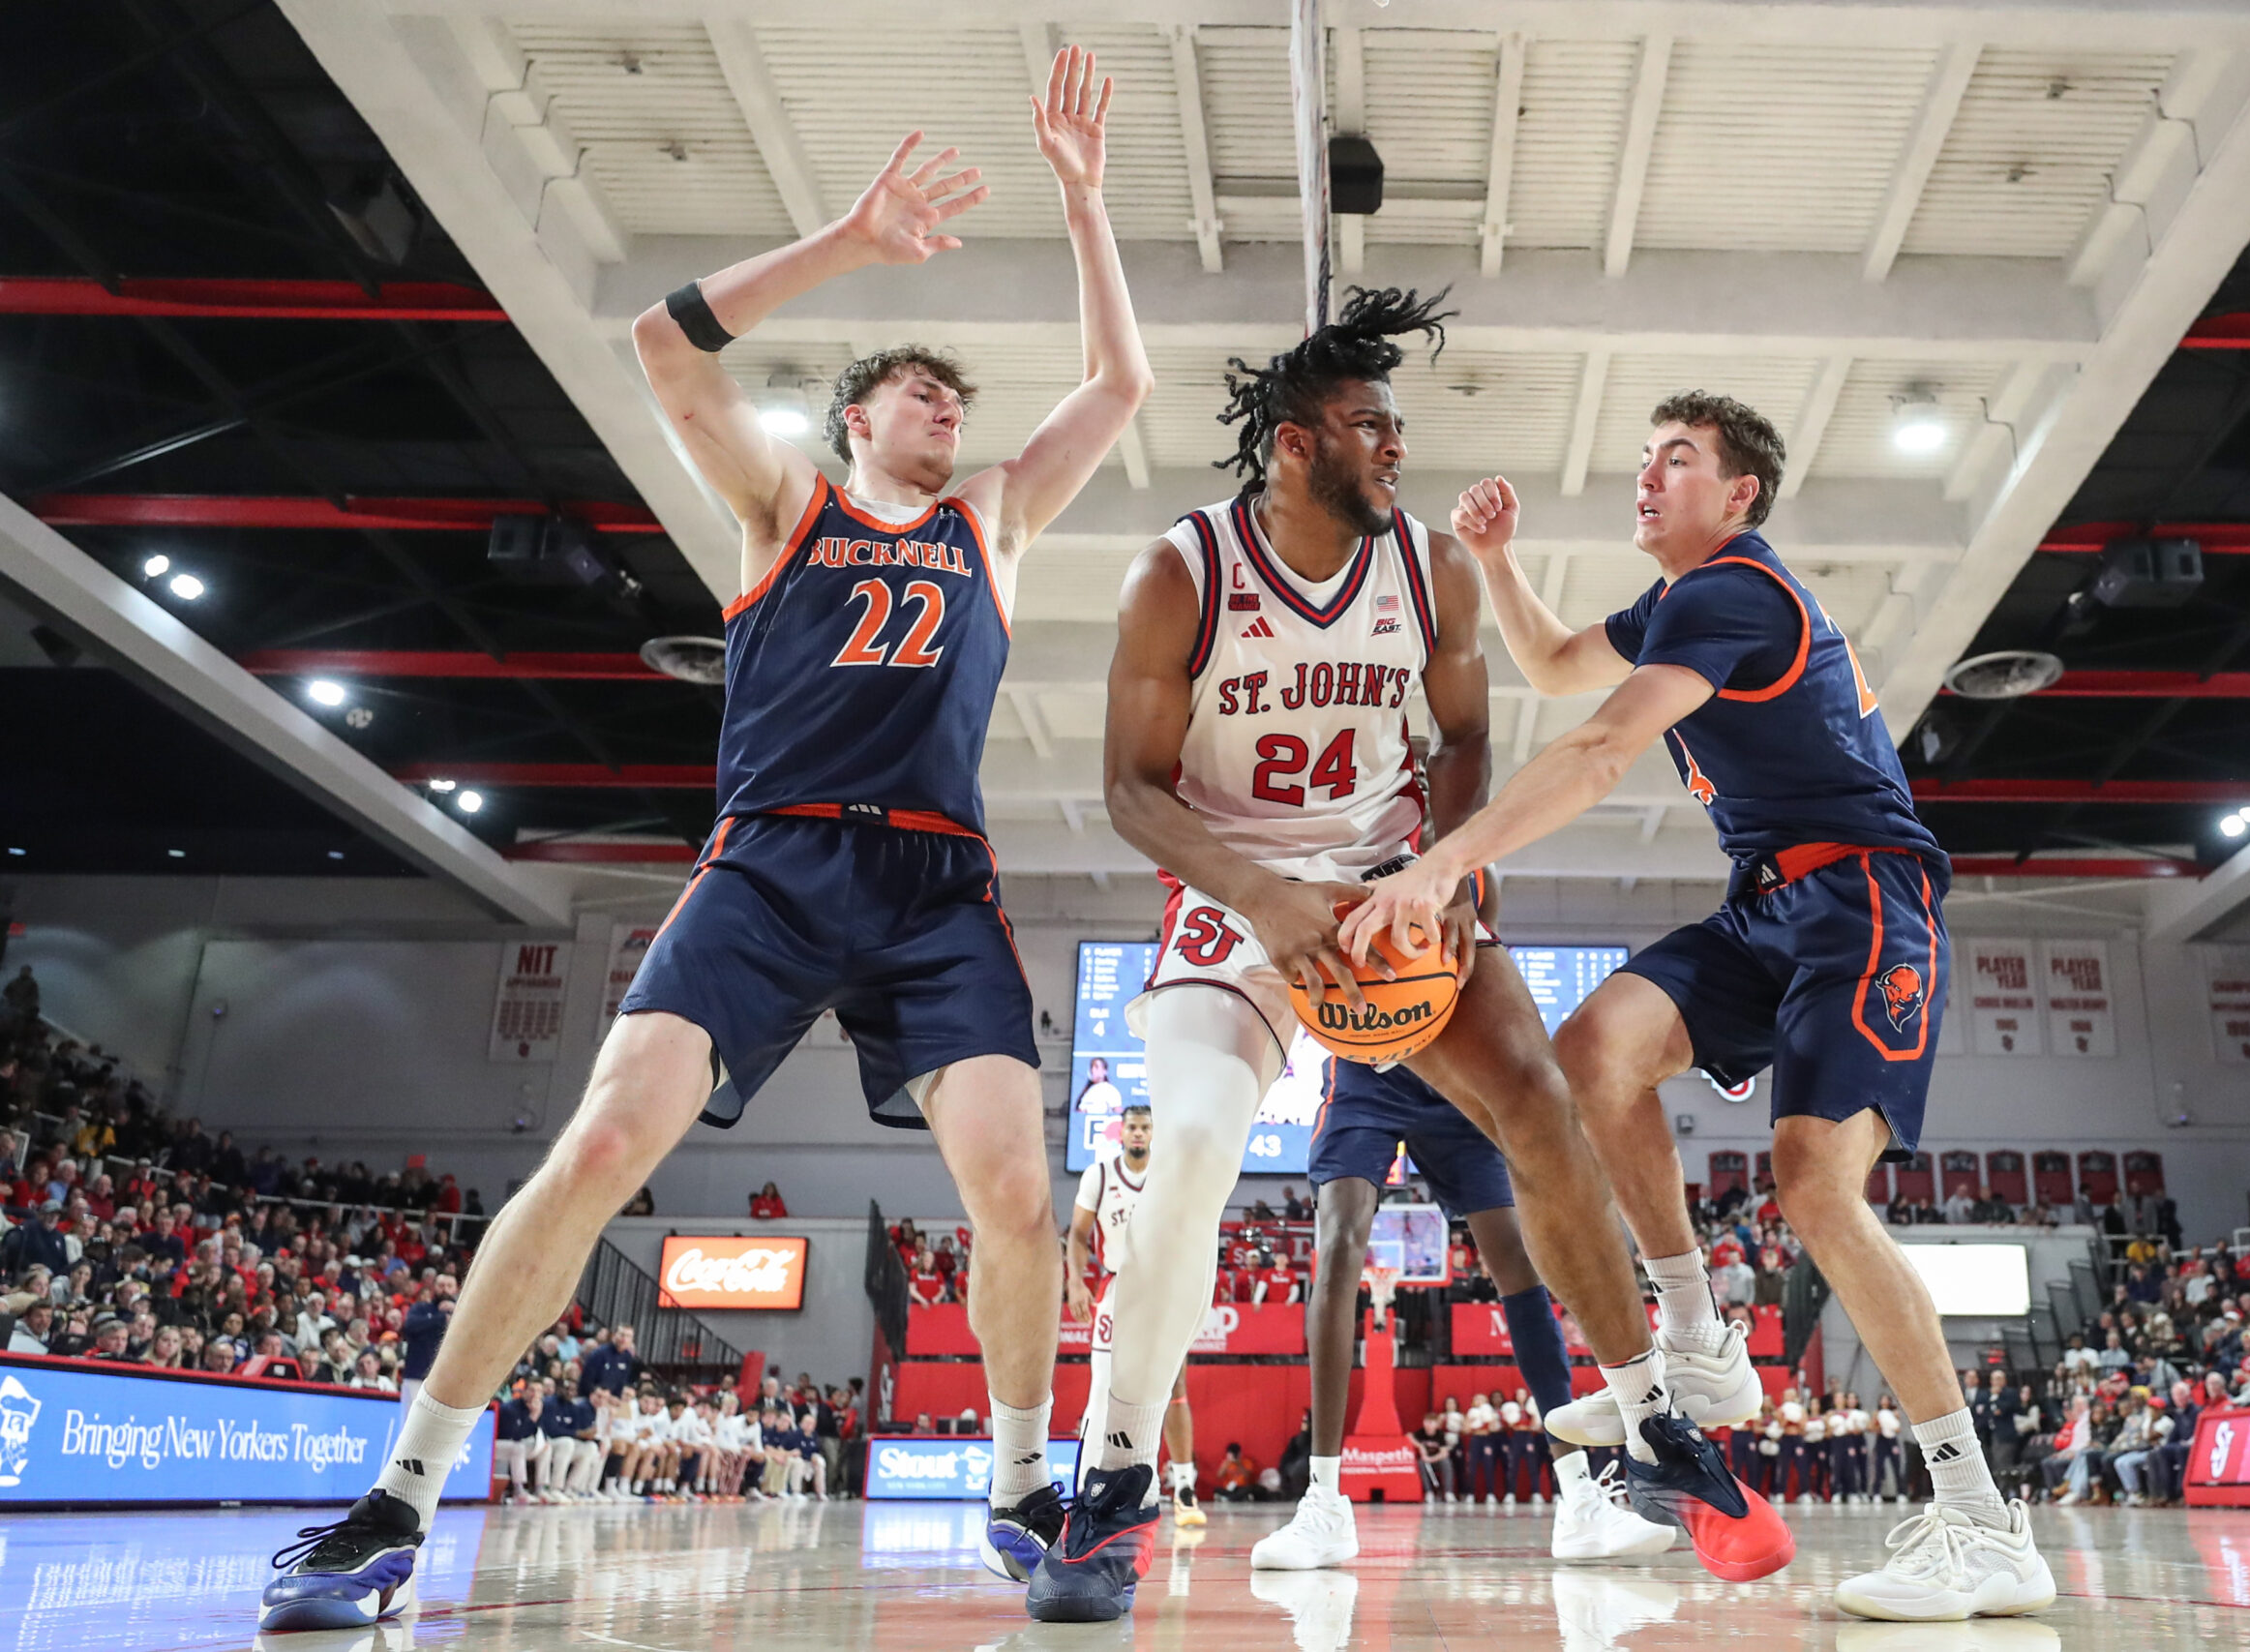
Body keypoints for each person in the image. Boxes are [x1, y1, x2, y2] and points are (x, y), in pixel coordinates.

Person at [258, 46, 1151, 1633]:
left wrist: (1084, 206)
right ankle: (396, 1493)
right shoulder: (784, 503)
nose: (947, 406)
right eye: (918, 390)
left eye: (958, 397)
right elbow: (659, 344)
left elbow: (1121, 389)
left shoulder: (991, 522)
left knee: (1018, 1187)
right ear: (861, 413)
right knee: (600, 1146)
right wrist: (847, 243)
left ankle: (1024, 1485)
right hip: (768, 867)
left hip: (934, 885)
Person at [1038, 295, 1785, 1624]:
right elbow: (1132, 789)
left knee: (1540, 1103)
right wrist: (1263, 892)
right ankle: (1110, 1478)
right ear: (1290, 444)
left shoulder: (1431, 568)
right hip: (1233, 892)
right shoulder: (1182, 569)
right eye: (1368, 424)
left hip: (1392, 881)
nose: (1394, 444)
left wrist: (1452, 873)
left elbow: (1461, 743)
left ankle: (1652, 1422)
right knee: (1198, 1151)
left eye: (1398, 423)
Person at [1343, 393, 2053, 1621]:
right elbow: (1561, 664)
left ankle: (1983, 1523)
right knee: (1590, 1055)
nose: (1647, 474)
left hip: (1863, 900)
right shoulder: (1679, 602)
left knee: (1814, 1188)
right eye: (1643, 456)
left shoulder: (1735, 590)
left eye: (1677, 459)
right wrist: (1503, 568)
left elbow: (1603, 745)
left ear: (1738, 497)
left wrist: (1440, 861)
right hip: (1769, 905)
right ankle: (1697, 1341)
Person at [1251, 1058, 1666, 1569]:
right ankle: (1323, 1502)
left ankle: (1580, 1498)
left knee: (1519, 1261)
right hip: (1367, 1074)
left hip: (1456, 1074)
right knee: (1338, 1245)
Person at [1065, 1104, 1204, 1529]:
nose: (1139, 1134)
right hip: (1116, 1286)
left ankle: (1184, 1487)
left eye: (1146, 1127)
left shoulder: (1168, 1174)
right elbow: (1078, 1234)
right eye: (1132, 1127)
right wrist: (1074, 1281)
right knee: (1102, 1388)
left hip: (1163, 1288)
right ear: (1120, 1133)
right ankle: (1088, 1486)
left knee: (1174, 1386)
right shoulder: (1100, 1176)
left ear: (1153, 1133)